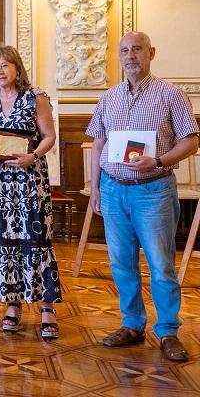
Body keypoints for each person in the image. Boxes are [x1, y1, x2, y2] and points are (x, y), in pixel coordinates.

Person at [87, 31, 198, 362]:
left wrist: (160, 160)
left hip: (153, 190)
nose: (130, 55)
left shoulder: (171, 95)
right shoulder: (109, 98)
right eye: (124, 50)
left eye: (137, 49)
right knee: (121, 263)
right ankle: (132, 324)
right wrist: (94, 187)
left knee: (161, 265)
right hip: (112, 188)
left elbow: (191, 141)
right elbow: (98, 144)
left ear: (151, 52)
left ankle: (167, 330)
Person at [0, 43, 61, 339]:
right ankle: (12, 304)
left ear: (17, 68)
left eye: (5, 65)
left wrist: (33, 156)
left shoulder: (36, 98)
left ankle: (47, 308)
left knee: (35, 238)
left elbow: (49, 136)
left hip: (29, 179)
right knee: (4, 239)